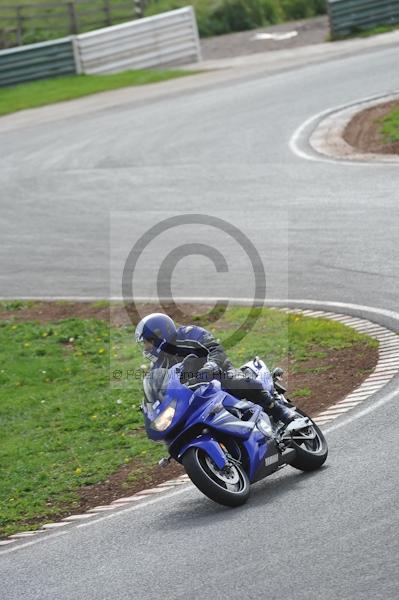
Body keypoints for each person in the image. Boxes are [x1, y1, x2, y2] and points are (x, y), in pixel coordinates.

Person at [135, 312, 297, 425]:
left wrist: (211, 365)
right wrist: (150, 404)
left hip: (218, 374)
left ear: (159, 335)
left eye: (147, 342)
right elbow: (159, 386)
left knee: (236, 383)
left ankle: (278, 410)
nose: (146, 347)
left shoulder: (190, 334)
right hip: (195, 394)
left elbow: (215, 348)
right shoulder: (158, 364)